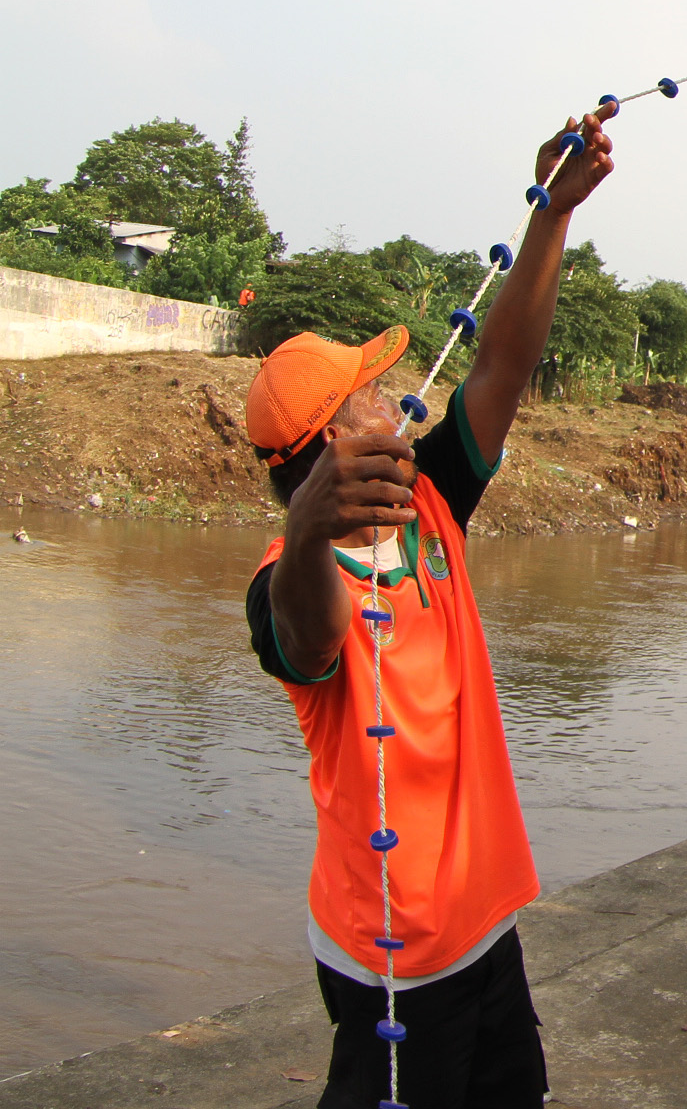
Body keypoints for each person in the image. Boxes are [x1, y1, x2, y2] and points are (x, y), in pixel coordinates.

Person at [242, 110, 616, 1109]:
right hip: (394, 959)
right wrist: (317, 531)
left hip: (483, 920)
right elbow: (310, 638)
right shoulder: (286, 574)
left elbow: (501, 367)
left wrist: (552, 214)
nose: (399, 395)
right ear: (330, 450)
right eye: (372, 393)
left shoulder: (433, 501)